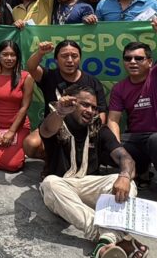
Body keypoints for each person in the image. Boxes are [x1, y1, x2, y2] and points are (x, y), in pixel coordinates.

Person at [39, 85, 148, 258]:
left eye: (94, 107)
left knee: (126, 181)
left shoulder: (100, 129)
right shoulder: (58, 122)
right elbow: (47, 129)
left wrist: (124, 176)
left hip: (90, 187)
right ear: (71, 103)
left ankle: (105, 242)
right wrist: (60, 111)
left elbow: (126, 158)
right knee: (49, 183)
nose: (90, 111)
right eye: (85, 105)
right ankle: (109, 237)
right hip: (63, 187)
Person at [107, 15, 157, 216]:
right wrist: (116, 145)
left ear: (149, 62)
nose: (133, 62)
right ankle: (142, 172)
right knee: (108, 144)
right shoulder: (119, 88)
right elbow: (113, 119)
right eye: (128, 58)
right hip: (135, 138)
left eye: (139, 58)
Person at [23, 40, 108, 178]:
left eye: (74, 56)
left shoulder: (92, 81)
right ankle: (51, 161)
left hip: (83, 129)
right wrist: (40, 53)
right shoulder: (49, 76)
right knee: (30, 144)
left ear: (80, 58)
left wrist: (94, 132)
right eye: (64, 56)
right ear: (56, 59)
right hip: (53, 128)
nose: (70, 60)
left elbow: (102, 111)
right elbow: (31, 68)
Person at [0, 41, 34, 172]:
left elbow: (25, 107)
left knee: (13, 165)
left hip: (17, 127)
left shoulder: (25, 77)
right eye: (5, 54)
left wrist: (11, 132)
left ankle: (19, 150)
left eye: (13, 55)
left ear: (17, 57)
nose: (9, 58)